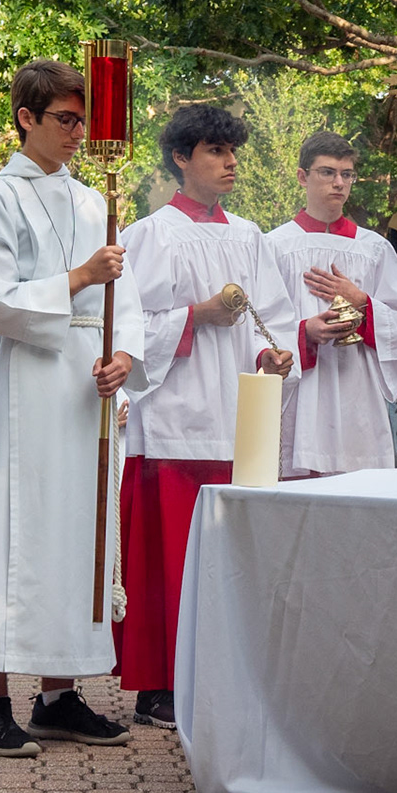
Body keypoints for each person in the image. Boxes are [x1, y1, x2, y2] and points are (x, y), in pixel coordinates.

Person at [0, 58, 145, 757]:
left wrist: (126, 354)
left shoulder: (94, 202)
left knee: (76, 536)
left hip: (88, 384)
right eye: (64, 118)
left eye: (83, 119)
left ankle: (61, 692)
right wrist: (83, 276)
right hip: (29, 379)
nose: (78, 132)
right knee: (13, 533)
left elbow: (131, 296)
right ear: (26, 118)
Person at [120, 104, 296, 729]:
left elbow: (269, 315)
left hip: (235, 416)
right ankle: (159, 684)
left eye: (232, 151)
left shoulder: (249, 235)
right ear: (180, 158)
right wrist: (196, 316)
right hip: (173, 420)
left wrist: (275, 356)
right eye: (215, 152)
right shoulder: (149, 234)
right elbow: (127, 329)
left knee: (230, 558)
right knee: (170, 559)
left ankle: (225, 675)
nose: (229, 163)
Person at [265, 131, 397, 476]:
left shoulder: (374, 249)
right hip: (300, 396)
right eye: (327, 172)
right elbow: (254, 325)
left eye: (347, 174)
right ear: (302, 176)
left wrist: (363, 303)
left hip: (357, 397)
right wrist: (305, 332)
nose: (339, 183)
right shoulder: (273, 247)